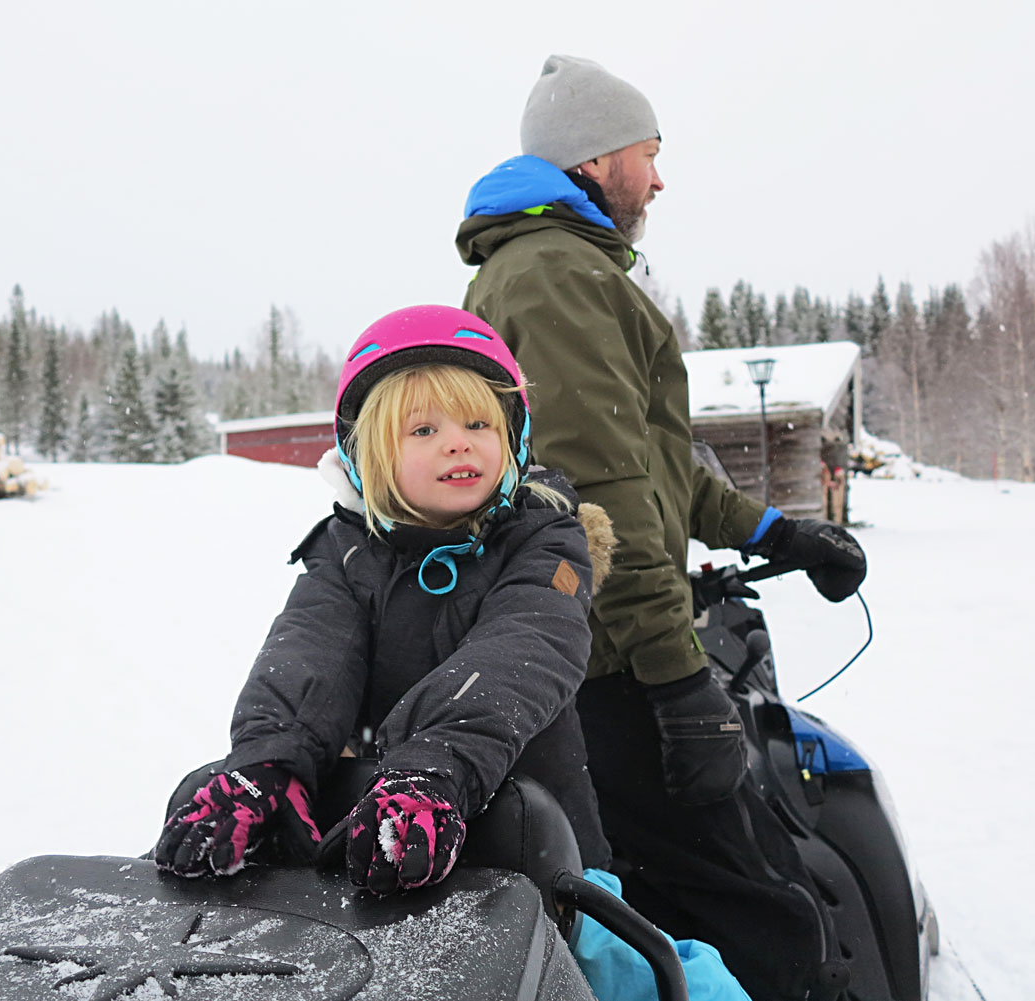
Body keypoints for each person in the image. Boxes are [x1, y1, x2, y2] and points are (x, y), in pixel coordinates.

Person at [153, 303, 751, 1001]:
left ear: (513, 436)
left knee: (640, 973)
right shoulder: (345, 553)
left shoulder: (545, 541)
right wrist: (265, 763)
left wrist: (435, 765)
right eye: (425, 429)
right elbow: (309, 657)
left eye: (478, 424)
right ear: (368, 451)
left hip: (535, 847)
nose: (458, 445)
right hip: (383, 846)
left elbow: (526, 645)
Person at [454, 55, 868, 1000]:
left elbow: (651, 457)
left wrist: (772, 528)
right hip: (612, 661)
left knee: (706, 898)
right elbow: (600, 496)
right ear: (596, 161)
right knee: (760, 914)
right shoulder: (557, 274)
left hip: (610, 646)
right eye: (649, 153)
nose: (659, 178)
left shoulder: (559, 267)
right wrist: (678, 681)